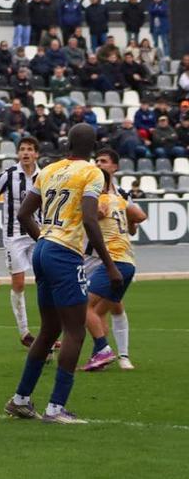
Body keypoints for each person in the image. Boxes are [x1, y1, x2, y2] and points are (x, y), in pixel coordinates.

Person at [5, 123, 123, 424]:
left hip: (44, 248)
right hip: (64, 252)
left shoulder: (49, 170)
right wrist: (109, 265)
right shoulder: (92, 173)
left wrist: (44, 239)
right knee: (75, 331)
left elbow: (23, 214)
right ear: (93, 147)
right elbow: (88, 218)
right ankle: (56, 408)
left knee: (49, 330)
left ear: (67, 142)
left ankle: (21, 399)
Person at [81, 149, 144, 372]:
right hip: (91, 256)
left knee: (111, 307)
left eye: (103, 161)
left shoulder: (122, 195)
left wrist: (131, 223)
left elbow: (134, 224)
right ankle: (100, 355)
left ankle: (121, 355)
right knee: (93, 311)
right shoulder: (92, 190)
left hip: (112, 258)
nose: (99, 163)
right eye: (96, 160)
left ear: (114, 167)